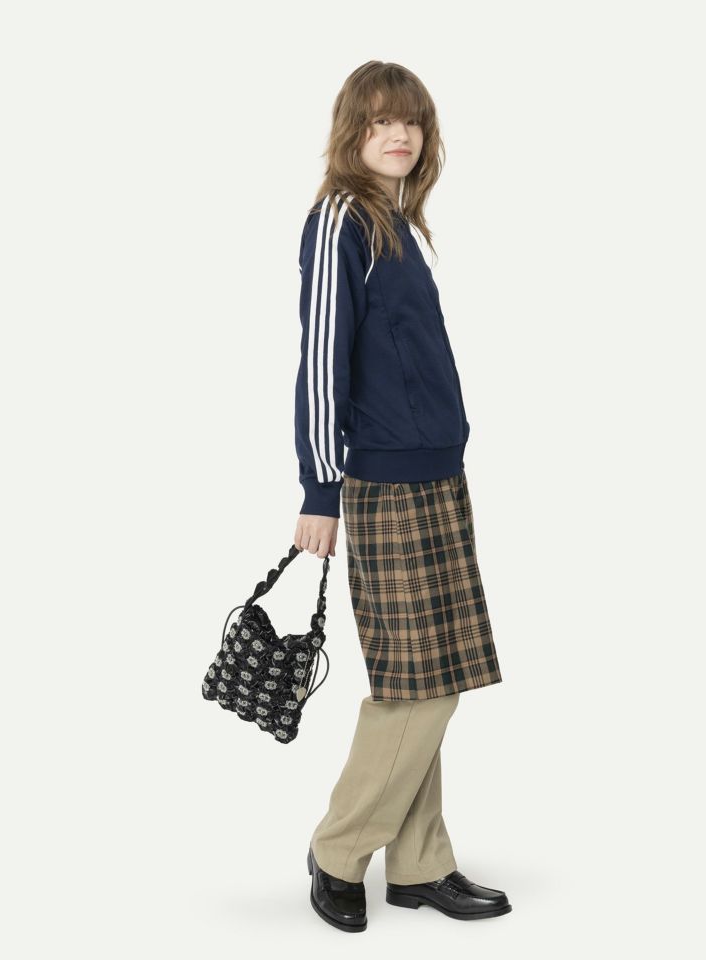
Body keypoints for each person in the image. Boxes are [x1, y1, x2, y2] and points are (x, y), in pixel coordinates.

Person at [292, 61, 510, 932]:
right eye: (381, 120)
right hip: (383, 482)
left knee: (433, 673)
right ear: (352, 131)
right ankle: (339, 850)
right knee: (418, 687)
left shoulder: (398, 224)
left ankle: (420, 863)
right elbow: (321, 360)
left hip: (437, 474)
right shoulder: (340, 220)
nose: (400, 134)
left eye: (411, 121)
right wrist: (319, 486)